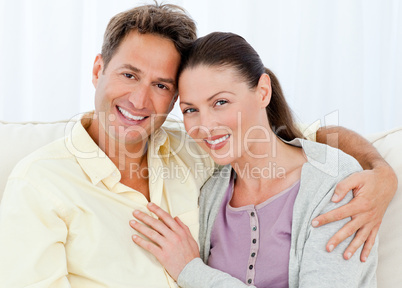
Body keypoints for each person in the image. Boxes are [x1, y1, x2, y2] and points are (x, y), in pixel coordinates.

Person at [0, 2, 396, 288]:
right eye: (128, 74)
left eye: (161, 86)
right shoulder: (39, 184)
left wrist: (380, 172)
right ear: (98, 70)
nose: (139, 101)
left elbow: (306, 136)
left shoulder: (197, 150)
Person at [129, 32, 382, 287]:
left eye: (220, 102)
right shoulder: (211, 190)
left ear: (263, 92)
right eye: (190, 110)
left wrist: (190, 270)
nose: (205, 126)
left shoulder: (332, 184)